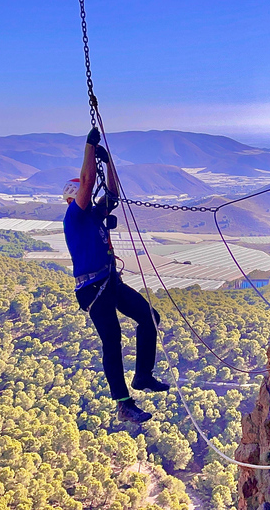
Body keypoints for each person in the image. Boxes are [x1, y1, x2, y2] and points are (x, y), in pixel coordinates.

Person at [63, 127, 169, 424]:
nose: (88, 197)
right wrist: (88, 146)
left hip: (109, 281)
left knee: (149, 316)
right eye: (82, 195)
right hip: (92, 288)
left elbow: (112, 194)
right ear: (73, 198)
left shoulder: (94, 215)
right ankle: (123, 403)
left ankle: (143, 376)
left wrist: (108, 163)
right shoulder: (74, 218)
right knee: (112, 340)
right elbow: (87, 181)